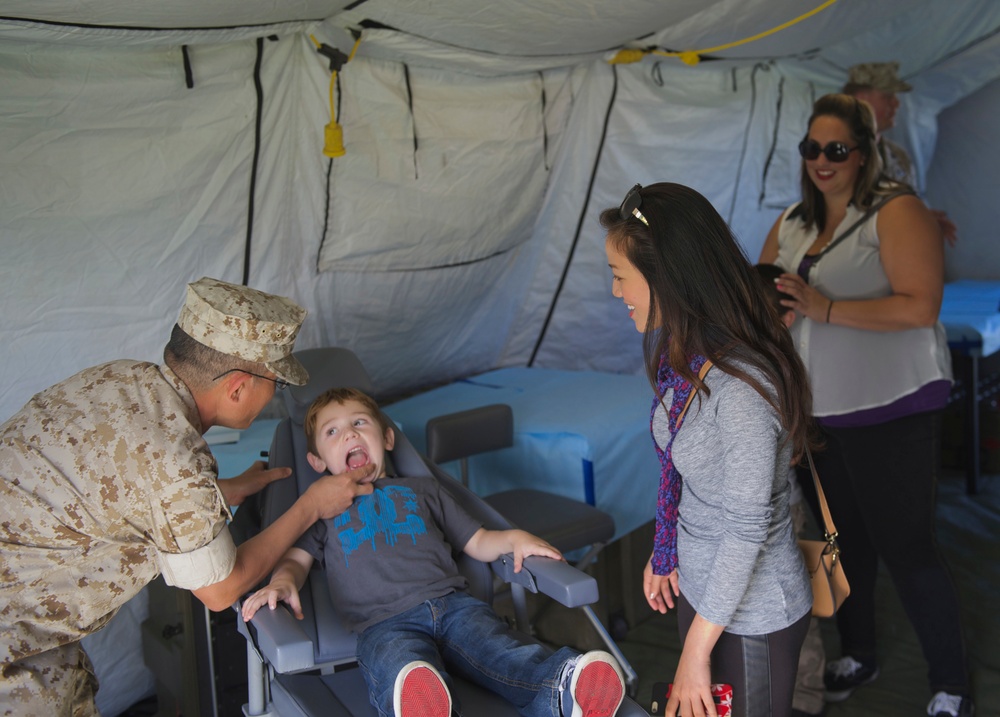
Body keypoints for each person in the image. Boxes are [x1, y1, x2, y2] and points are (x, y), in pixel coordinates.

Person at [0, 277, 376, 716]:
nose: (276, 393)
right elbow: (222, 589)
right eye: (275, 381)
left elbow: (109, 482)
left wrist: (223, 492)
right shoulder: (176, 464)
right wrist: (312, 505)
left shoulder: (122, 378)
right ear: (238, 388)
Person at [759, 93, 972, 717]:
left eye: (836, 150)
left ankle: (952, 683)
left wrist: (824, 307)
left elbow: (920, 306)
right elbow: (765, 296)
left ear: (863, 153)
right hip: (817, 415)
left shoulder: (896, 211)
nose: (822, 161)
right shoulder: (793, 222)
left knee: (906, 547)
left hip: (892, 410)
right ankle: (859, 653)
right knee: (839, 543)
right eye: (812, 149)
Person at [241, 387, 627, 717]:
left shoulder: (423, 490)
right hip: (383, 623)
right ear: (317, 462)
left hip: (456, 606)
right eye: (332, 431)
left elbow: (476, 541)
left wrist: (513, 538)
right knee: (399, 667)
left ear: (387, 439)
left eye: (360, 423)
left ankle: (565, 689)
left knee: (502, 652)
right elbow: (296, 560)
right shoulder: (323, 511)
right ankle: (421, 707)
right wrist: (282, 581)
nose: (349, 435)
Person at [600, 182, 814, 717]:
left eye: (620, 277)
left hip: (752, 614)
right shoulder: (690, 359)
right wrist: (667, 549)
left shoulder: (740, 388)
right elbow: (693, 477)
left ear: (667, 279)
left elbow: (746, 529)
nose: (615, 292)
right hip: (706, 597)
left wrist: (695, 652)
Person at [754, 263, 827, 717]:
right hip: (774, 510)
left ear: (787, 320)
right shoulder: (764, 366)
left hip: (786, 513)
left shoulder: (783, 370)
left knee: (796, 610)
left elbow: (792, 451)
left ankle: (804, 699)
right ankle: (792, 696)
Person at [842, 61, 958, 246]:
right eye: (887, 97)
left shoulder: (898, 156)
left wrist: (921, 217)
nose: (896, 104)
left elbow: (902, 205)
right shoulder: (832, 154)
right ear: (862, 99)